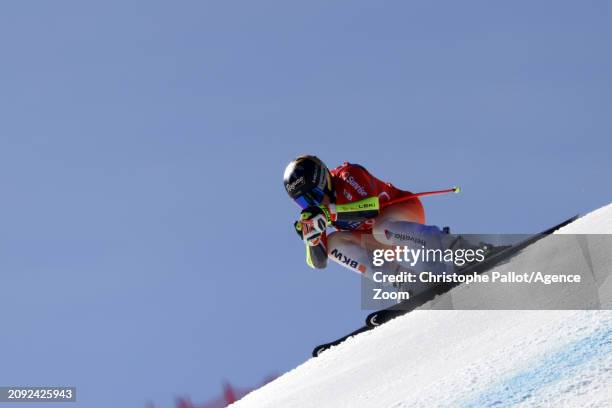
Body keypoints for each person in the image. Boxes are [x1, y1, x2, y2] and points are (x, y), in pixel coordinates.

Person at [283, 155, 453, 286]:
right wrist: (312, 239)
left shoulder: (347, 175)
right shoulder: (315, 214)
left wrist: (330, 214)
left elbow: (371, 208)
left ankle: (444, 243)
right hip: (385, 240)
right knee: (334, 242)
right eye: (303, 201)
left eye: (314, 195)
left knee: (380, 227)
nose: (313, 203)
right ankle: (405, 281)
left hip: (404, 212)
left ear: (323, 181)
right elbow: (318, 263)